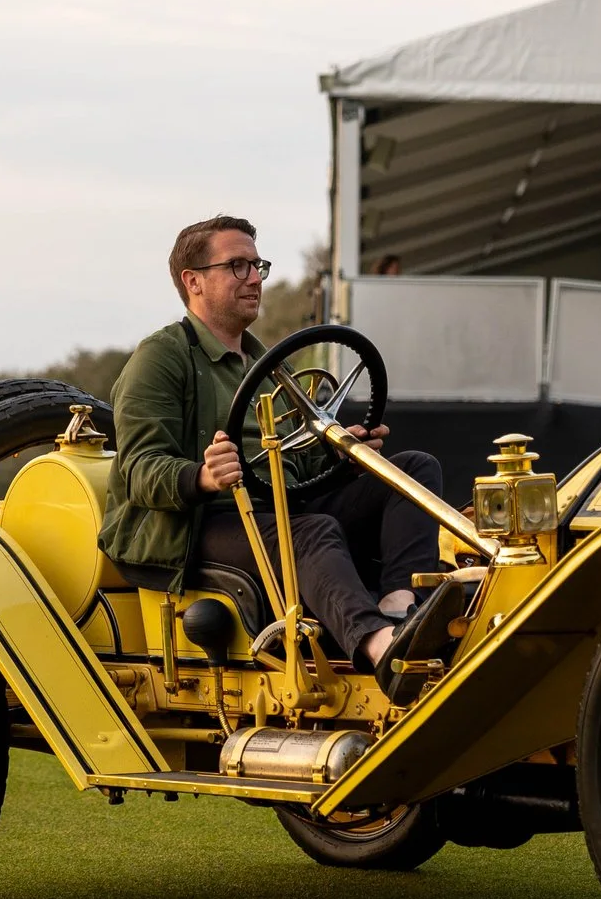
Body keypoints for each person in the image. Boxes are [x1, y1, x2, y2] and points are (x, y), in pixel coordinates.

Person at [99, 214, 446, 688]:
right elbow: (139, 468)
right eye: (237, 266)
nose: (255, 279)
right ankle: (377, 647)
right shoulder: (160, 357)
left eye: (257, 266)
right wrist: (201, 476)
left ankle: (401, 605)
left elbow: (294, 466)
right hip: (194, 525)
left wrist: (341, 455)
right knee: (308, 530)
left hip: (273, 508)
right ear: (193, 281)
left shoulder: (267, 365)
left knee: (412, 470)